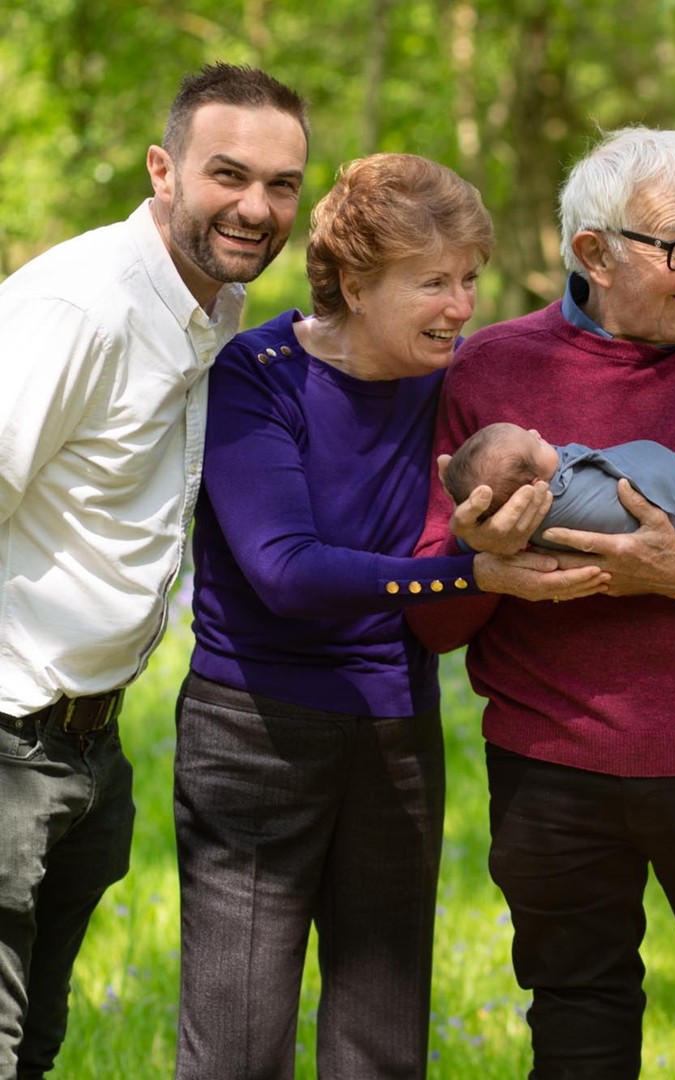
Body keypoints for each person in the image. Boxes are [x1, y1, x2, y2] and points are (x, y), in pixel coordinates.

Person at [409, 127, 675, 1079]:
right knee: (576, 1038)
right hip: (549, 764)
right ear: (591, 254)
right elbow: (435, 619)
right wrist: (480, 561)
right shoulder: (488, 370)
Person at [171, 153, 620, 1080]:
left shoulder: (455, 383)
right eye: (432, 283)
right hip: (254, 733)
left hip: (394, 730)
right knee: (237, 1044)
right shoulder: (259, 374)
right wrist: (472, 579)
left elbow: (589, 331)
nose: (460, 306)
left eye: (468, 280)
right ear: (355, 284)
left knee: (382, 1046)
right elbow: (285, 573)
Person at [0, 63, 309, 1079]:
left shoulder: (213, 305)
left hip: (87, 743)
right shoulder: (77, 306)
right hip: (6, 741)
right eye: (230, 175)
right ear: (163, 170)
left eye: (282, 185)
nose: (257, 208)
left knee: (34, 1044)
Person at [442, 421, 675, 546]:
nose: (536, 433)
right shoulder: (557, 488)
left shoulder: (526, 532)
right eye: (537, 444)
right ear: (536, 484)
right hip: (670, 491)